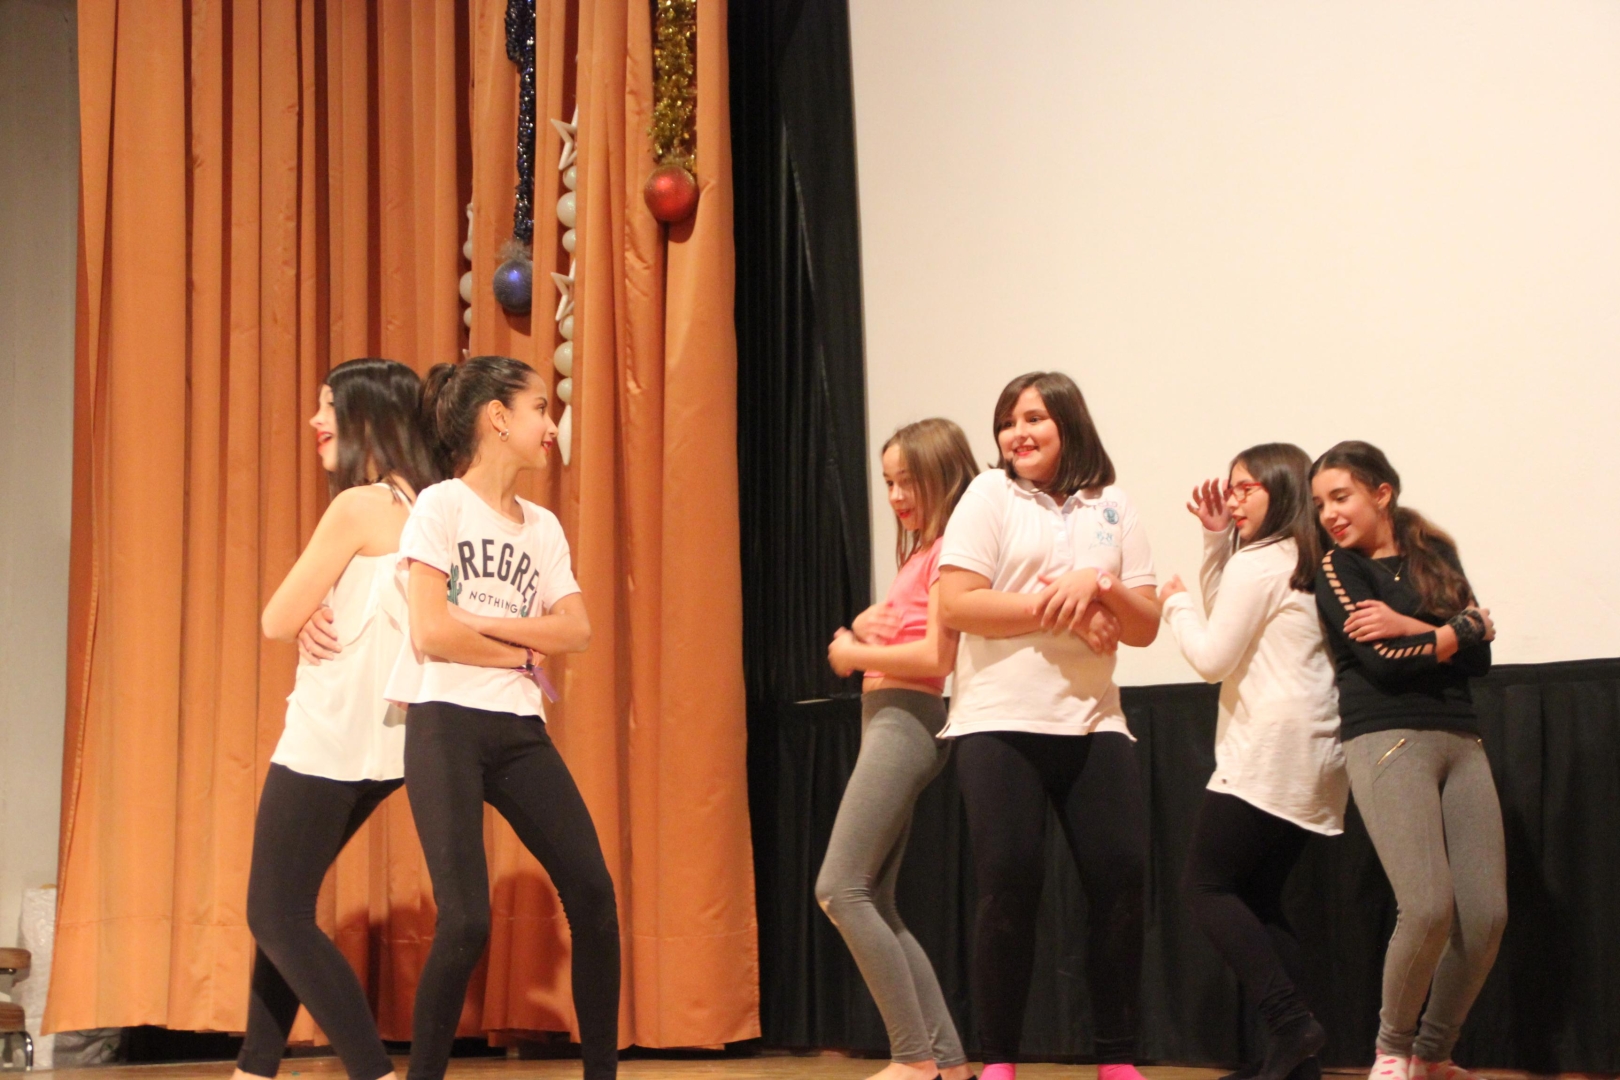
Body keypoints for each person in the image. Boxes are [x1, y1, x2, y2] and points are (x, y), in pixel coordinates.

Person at [387, 356, 618, 1080]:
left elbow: (577, 630)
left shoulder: (542, 527)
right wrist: (519, 646)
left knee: (594, 895)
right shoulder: (441, 507)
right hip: (445, 723)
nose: (550, 425)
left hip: (519, 731)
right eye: (539, 408)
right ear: (497, 417)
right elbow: (430, 632)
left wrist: (479, 623)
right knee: (465, 920)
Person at [937, 371, 1159, 1080]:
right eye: (1007, 421)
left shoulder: (1113, 505)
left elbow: (1145, 627)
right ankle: (999, 1059)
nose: (1017, 433)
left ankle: (1117, 1059)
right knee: (1009, 884)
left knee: (1121, 881)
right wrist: (1062, 607)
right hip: (999, 720)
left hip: (1094, 722)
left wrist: (1099, 584)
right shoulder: (989, 495)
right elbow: (958, 605)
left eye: (1033, 417)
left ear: (1069, 423)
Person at [238, 358, 440, 1080]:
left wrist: (303, 614)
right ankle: (253, 1070)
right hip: (389, 743)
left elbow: (275, 618)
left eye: (329, 407)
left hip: (329, 738)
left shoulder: (359, 506)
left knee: (275, 914)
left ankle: (371, 1072)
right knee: (285, 906)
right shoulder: (430, 507)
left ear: (369, 419)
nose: (316, 421)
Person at [1310, 441, 1504, 1080]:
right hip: (1386, 737)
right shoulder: (1339, 567)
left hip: (1461, 739)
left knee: (1485, 917)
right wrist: (1453, 631)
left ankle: (1432, 1053)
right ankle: (1392, 1050)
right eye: (1320, 504)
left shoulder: (1434, 552)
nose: (1329, 514)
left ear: (1381, 493)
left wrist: (1412, 625)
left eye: (1341, 497)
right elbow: (1384, 664)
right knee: (1426, 908)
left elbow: (1480, 658)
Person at [1159, 443, 1347, 1080]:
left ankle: (1292, 1026)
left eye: (1247, 488)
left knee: (1205, 888)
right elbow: (1234, 630)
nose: (1234, 499)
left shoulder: (1261, 561)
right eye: (1232, 488)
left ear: (1282, 489)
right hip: (1317, 752)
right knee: (1259, 899)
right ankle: (1298, 1068)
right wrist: (1217, 543)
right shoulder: (1305, 558)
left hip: (1270, 747)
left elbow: (1213, 658)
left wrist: (1174, 604)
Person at [818, 418, 980, 1080]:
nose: (895, 496)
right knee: (875, 901)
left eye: (907, 481)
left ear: (943, 474)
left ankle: (914, 1058)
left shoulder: (949, 552)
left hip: (907, 719)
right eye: (888, 482)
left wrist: (853, 654)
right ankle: (947, 1062)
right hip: (889, 717)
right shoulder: (925, 552)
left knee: (839, 889)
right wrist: (863, 632)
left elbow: (937, 657)